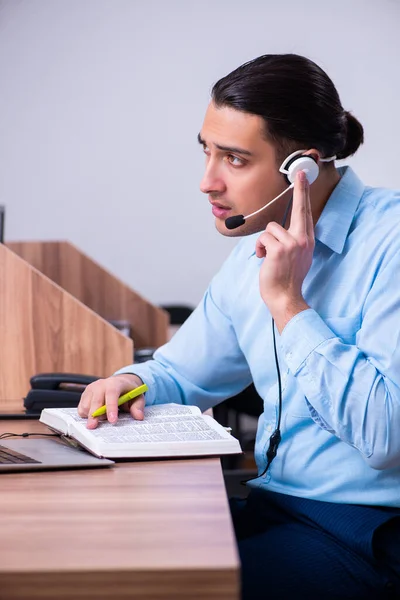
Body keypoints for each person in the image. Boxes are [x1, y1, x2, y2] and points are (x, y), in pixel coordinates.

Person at [78, 54, 400, 599]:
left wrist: (290, 306)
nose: (208, 182)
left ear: (303, 168)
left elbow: (384, 436)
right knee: (106, 552)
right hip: (274, 506)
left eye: (234, 159)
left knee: (165, 587)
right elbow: (182, 375)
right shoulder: (250, 257)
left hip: (363, 532)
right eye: (207, 152)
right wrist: (129, 384)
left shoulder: (389, 242)